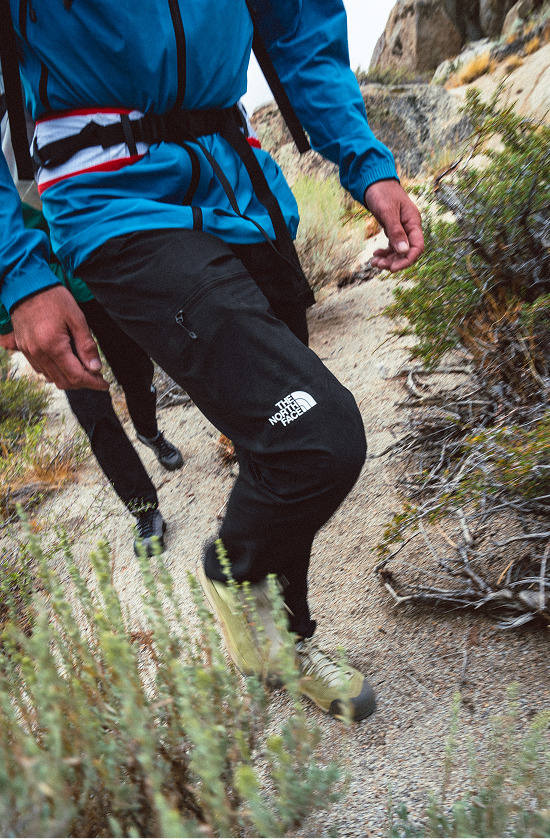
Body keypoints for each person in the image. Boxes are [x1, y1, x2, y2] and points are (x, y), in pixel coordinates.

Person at [0, 0, 424, 721]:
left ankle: (287, 638)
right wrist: (19, 272)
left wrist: (364, 160)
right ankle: (232, 570)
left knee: (280, 437)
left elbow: (298, 29)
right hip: (114, 203)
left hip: (240, 186)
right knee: (316, 435)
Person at [0, 202, 184, 557]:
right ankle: (144, 511)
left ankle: (149, 432)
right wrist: (6, 322)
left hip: (88, 275)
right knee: (91, 408)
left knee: (136, 371)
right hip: (40, 305)